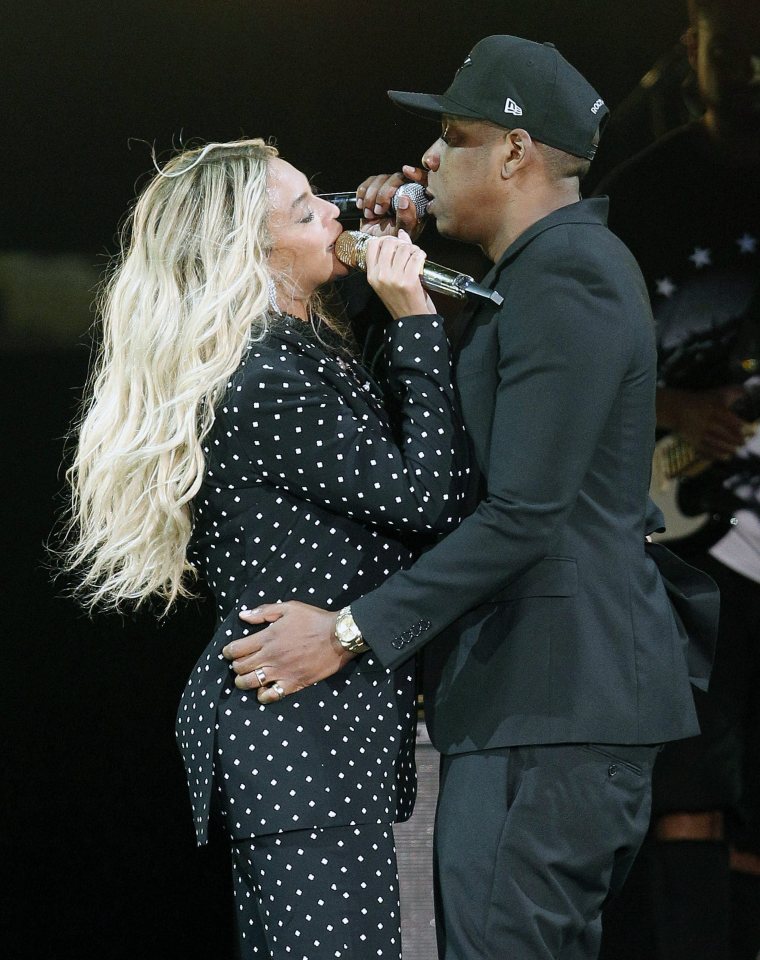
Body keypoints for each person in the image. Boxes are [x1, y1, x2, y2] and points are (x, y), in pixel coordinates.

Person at [221, 37, 716, 959]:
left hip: (557, 701)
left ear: (517, 154)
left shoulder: (566, 274)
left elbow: (524, 513)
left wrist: (344, 632)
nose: (430, 161)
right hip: (542, 703)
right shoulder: (522, 280)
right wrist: (374, 263)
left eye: (452, 137)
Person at [62, 137, 469, 958]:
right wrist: (417, 319)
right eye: (305, 209)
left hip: (316, 734)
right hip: (298, 739)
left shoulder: (299, 349)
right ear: (252, 251)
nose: (335, 211)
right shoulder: (263, 381)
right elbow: (434, 500)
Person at [594, 2, 760, 957]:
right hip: (679, 557)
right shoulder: (643, 194)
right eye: (730, 46)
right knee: (689, 796)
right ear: (693, 48)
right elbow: (569, 352)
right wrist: (673, 410)